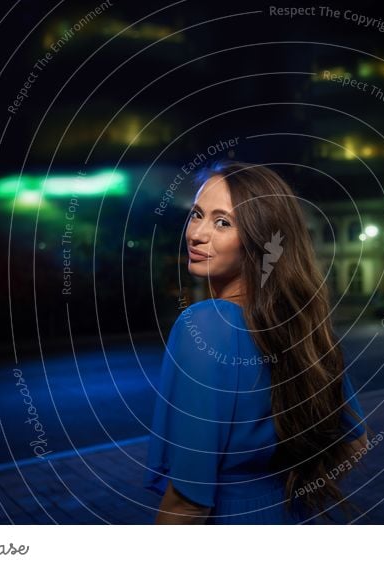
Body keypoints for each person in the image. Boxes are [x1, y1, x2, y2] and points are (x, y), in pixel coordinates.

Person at [143, 161, 371, 524]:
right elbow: (355, 441)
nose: (197, 234)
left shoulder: (204, 325)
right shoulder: (298, 325)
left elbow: (188, 503)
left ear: (259, 240)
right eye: (197, 214)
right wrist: (293, 484)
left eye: (223, 223)